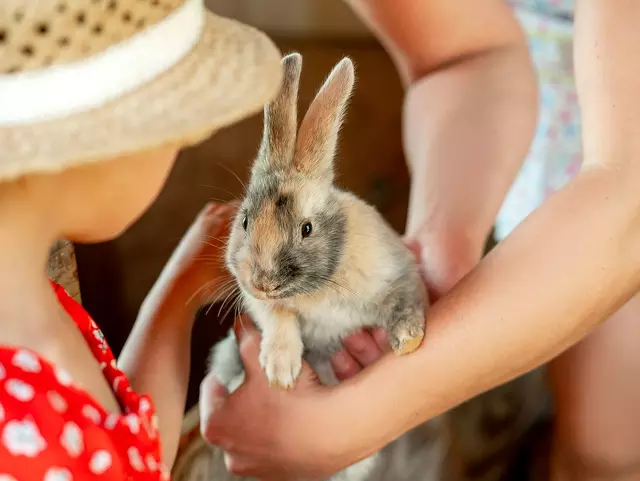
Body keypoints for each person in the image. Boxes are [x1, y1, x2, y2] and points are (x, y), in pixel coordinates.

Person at [200, 1, 640, 480]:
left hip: (624, 159)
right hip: (535, 99)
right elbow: (461, 55)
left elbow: (627, 202)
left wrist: (371, 411)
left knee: (612, 438)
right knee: (595, 438)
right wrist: (441, 246)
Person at [0, 0, 281, 478]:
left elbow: (125, 454)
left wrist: (178, 294)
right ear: (95, 142)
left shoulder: (24, 293)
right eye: (174, 125)